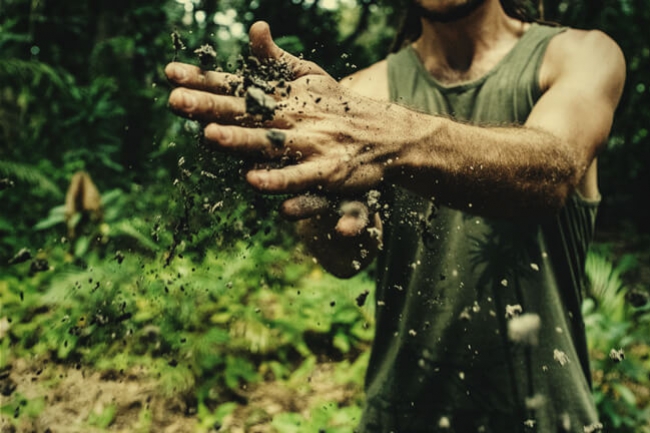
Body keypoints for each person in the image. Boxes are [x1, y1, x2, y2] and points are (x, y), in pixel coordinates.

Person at [165, 0, 625, 431]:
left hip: (547, 414)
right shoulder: (360, 94)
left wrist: (395, 138)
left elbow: (550, 173)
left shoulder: (579, 54)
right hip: (402, 413)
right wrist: (335, 218)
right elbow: (343, 257)